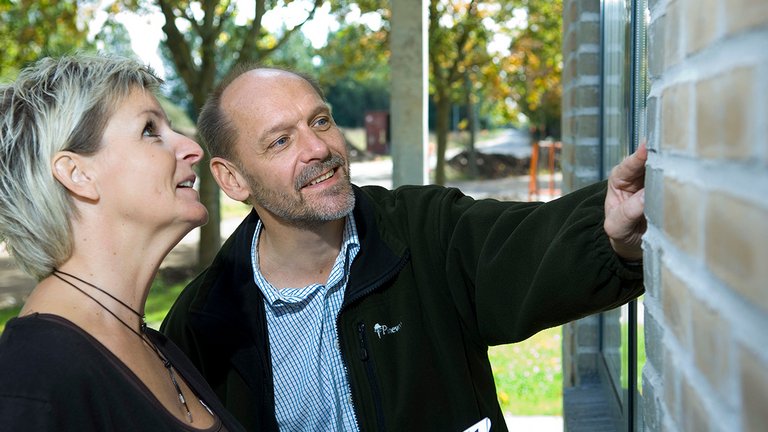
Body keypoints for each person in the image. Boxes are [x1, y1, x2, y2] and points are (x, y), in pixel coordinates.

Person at [161, 65, 647, 432]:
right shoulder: (203, 323)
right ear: (232, 178)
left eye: (322, 121)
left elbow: (531, 244)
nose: (318, 148)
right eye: (282, 140)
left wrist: (610, 227)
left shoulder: (427, 232)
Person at [0, 55, 245, 431]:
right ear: (77, 173)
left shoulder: (155, 346)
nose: (192, 148)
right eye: (150, 129)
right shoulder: (34, 378)